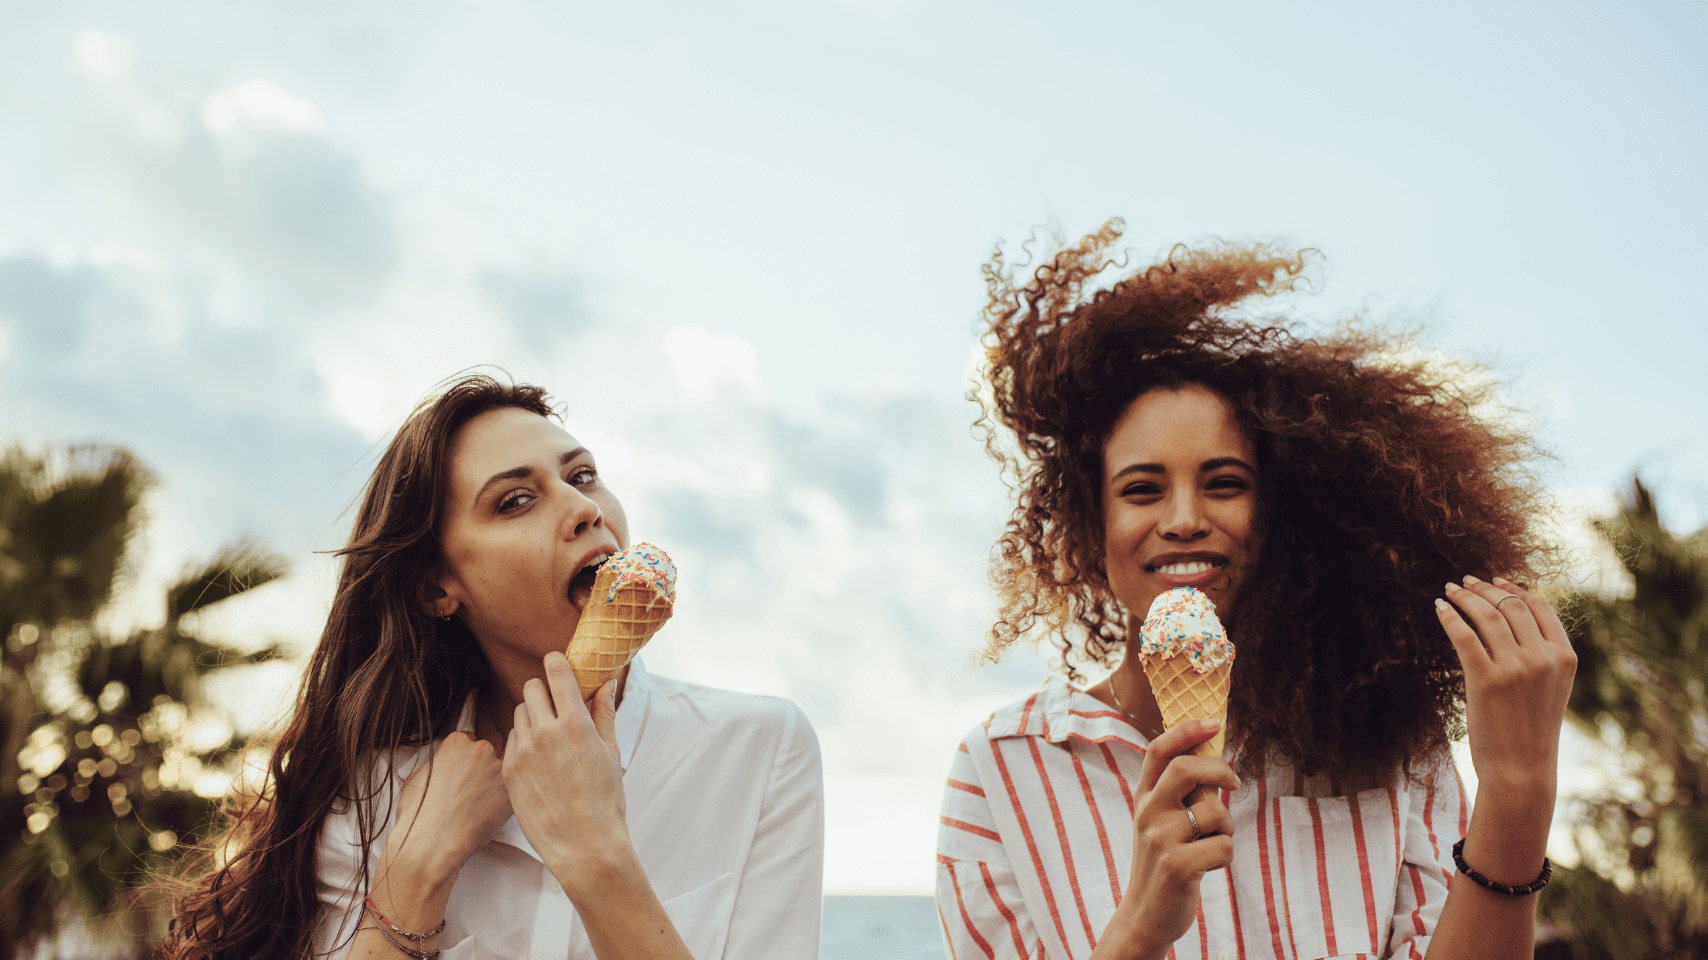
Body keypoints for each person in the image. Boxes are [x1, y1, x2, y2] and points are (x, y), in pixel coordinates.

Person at [936, 222, 1576, 960]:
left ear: (1284, 516)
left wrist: (1519, 791)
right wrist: (1140, 925)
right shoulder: (1001, 769)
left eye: (1225, 484)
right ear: (1090, 530)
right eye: (1141, 490)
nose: (1182, 520)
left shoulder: (1396, 746)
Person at [163, 374, 824, 960]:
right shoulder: (370, 797)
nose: (584, 509)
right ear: (436, 588)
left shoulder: (761, 749)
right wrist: (412, 878)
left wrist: (597, 858)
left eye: (582, 476)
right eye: (515, 501)